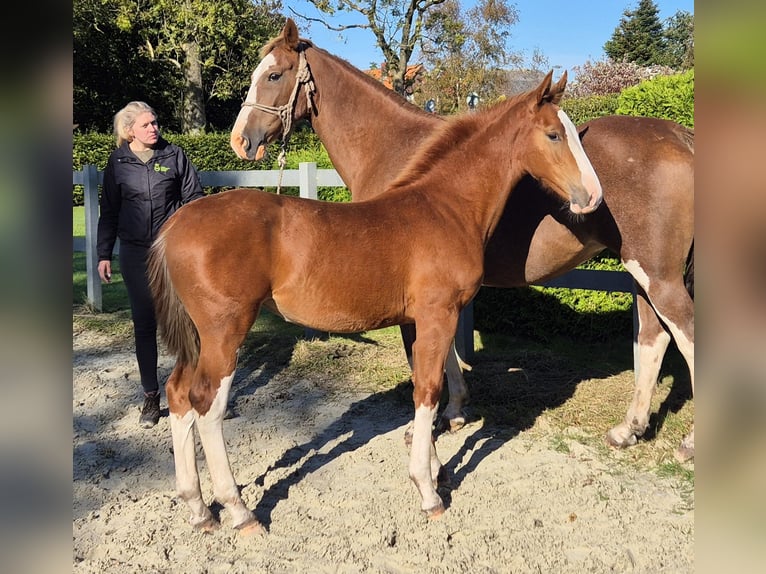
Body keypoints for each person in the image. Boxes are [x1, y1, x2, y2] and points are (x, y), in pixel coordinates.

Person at [97, 101, 204, 428]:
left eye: (155, 122)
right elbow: (110, 212)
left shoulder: (174, 155)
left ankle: (197, 390)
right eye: (146, 125)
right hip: (134, 253)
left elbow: (195, 200)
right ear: (130, 131)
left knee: (188, 319)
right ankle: (150, 396)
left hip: (172, 251)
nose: (154, 128)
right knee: (144, 324)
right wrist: (103, 253)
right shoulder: (117, 163)